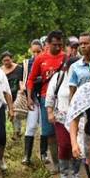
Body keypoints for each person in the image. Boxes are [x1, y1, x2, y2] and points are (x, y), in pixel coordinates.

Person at [25, 31, 66, 166]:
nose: (58, 48)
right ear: (48, 44)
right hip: (45, 99)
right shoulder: (40, 59)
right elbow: (30, 79)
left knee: (64, 131)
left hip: (64, 100)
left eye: (60, 45)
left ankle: (66, 161)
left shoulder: (66, 58)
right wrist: (29, 97)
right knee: (49, 132)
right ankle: (56, 163)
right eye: (55, 45)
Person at [46, 53, 83, 178]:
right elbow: (50, 95)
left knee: (78, 145)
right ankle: (64, 174)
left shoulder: (84, 78)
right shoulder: (59, 77)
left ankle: (75, 173)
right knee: (64, 144)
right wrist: (50, 112)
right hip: (62, 117)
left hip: (80, 118)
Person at [1, 51, 25, 140]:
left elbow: (22, 80)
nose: (6, 62)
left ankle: (17, 132)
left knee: (15, 113)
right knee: (10, 114)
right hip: (5, 95)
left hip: (17, 94)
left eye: (8, 60)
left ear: (12, 59)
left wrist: (22, 90)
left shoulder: (19, 68)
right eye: (4, 61)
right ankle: (15, 131)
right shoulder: (0, 70)